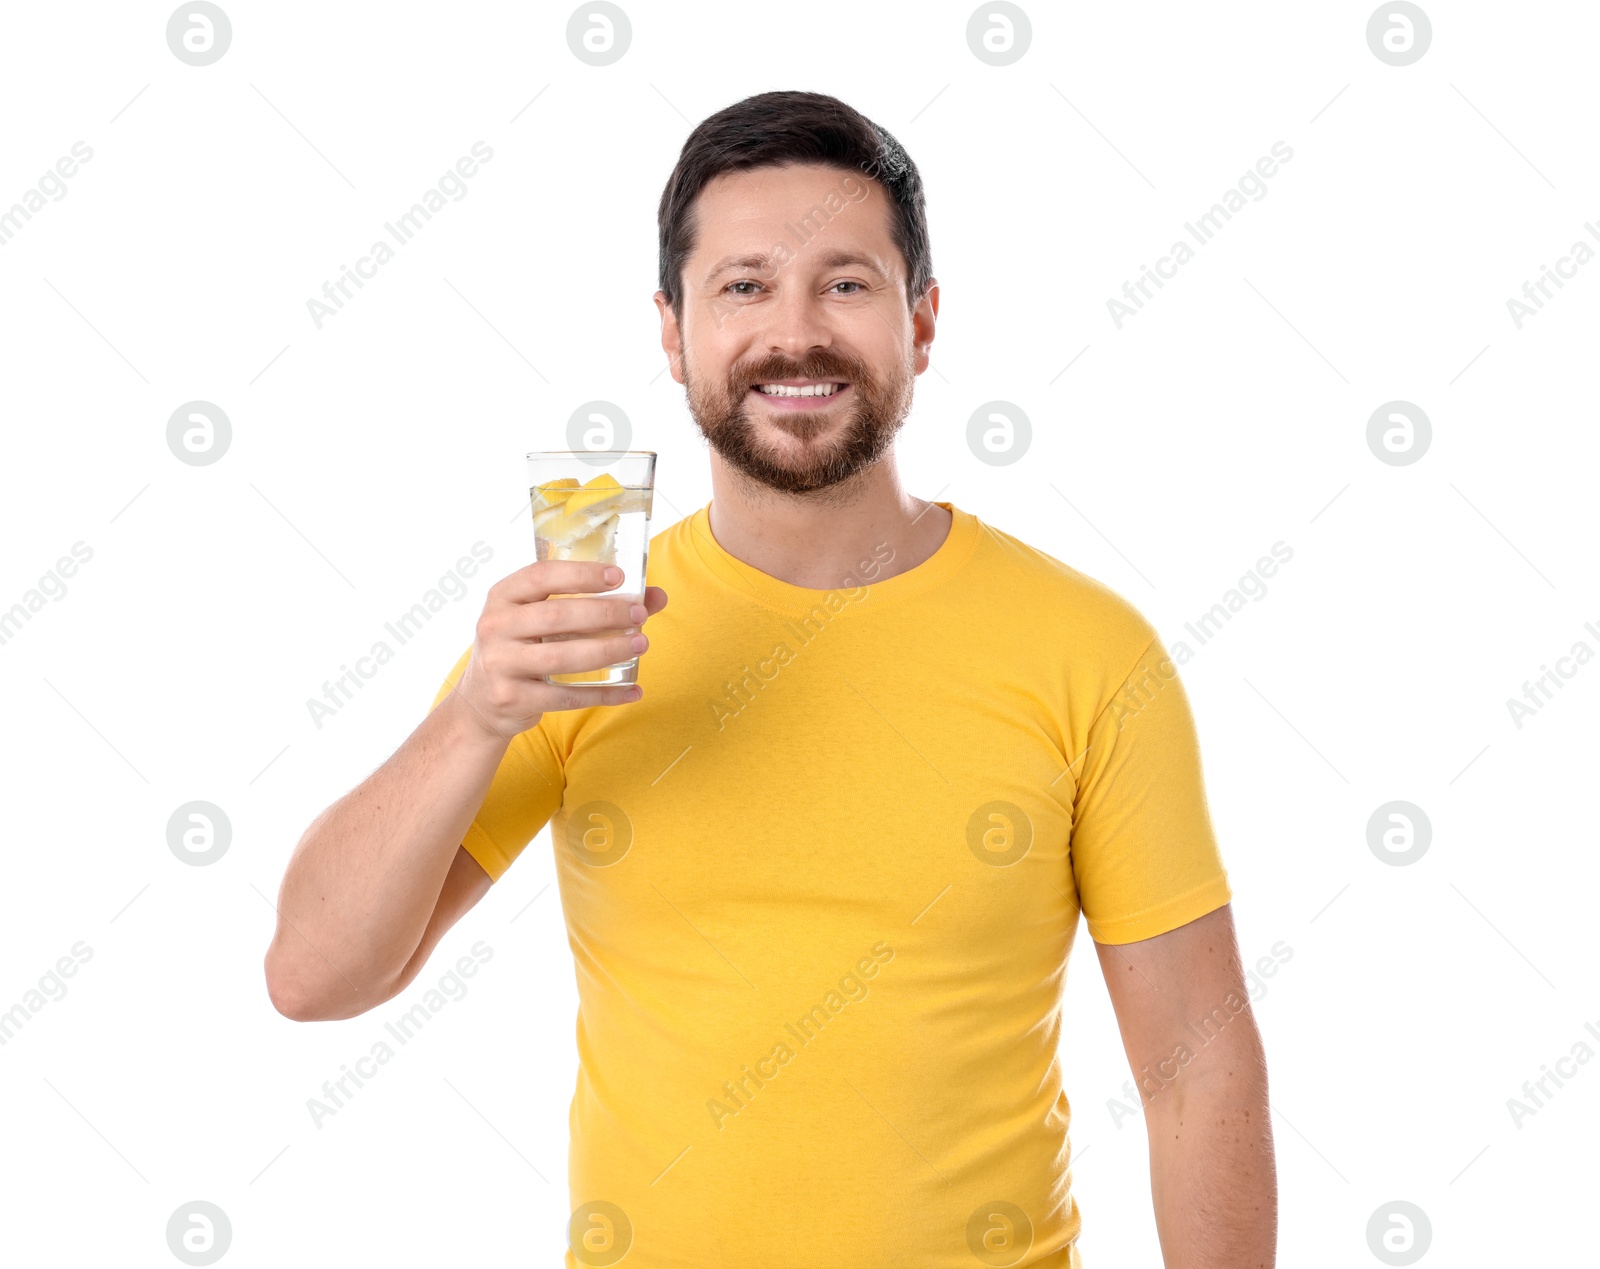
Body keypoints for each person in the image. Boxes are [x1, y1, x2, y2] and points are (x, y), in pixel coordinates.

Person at [265, 89, 1276, 1269]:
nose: (793, 334)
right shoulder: (575, 638)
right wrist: (474, 716)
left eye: (844, 283)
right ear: (671, 329)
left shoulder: (1087, 648)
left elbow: (1195, 1063)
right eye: (742, 286)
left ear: (923, 320)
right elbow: (314, 978)